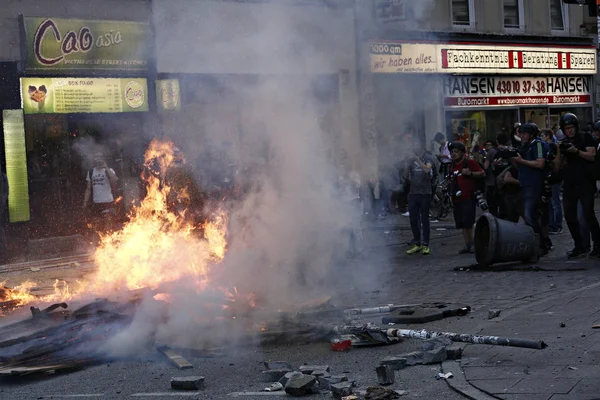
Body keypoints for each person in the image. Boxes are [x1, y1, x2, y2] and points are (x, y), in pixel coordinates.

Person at [558, 113, 600, 258]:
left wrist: (576, 151)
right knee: (569, 216)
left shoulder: (585, 137)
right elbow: (558, 165)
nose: (569, 131)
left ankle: (598, 245)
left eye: (571, 127)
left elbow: (592, 155)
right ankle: (579, 245)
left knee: (588, 214)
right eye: (566, 128)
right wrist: (558, 151)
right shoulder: (563, 142)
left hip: (585, 181)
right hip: (570, 183)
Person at [508, 123, 550, 255]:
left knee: (529, 215)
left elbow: (539, 163)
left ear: (531, 134)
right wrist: (513, 158)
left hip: (534, 184)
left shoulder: (537, 144)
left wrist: (521, 161)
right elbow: (521, 167)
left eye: (524, 133)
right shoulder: (525, 146)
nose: (521, 136)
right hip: (525, 184)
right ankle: (537, 243)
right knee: (528, 216)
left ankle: (542, 244)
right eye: (520, 133)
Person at [449, 141, 484, 254]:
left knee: (468, 222)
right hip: (456, 198)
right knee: (462, 223)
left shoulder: (469, 162)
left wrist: (470, 174)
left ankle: (473, 244)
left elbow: (482, 173)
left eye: (456, 152)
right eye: (452, 152)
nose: (453, 154)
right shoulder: (452, 165)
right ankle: (467, 245)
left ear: (462, 153)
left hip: (468, 197)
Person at [404, 140, 436, 256]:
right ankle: (417, 243)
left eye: (416, 144)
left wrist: (417, 160)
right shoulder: (411, 159)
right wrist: (407, 164)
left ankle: (426, 244)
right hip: (413, 193)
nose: (415, 147)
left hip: (425, 193)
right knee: (413, 219)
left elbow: (427, 170)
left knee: (424, 219)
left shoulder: (428, 157)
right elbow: (405, 176)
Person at [83, 152, 118, 233]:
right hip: (96, 203)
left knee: (108, 224)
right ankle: (99, 243)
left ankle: (109, 242)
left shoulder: (109, 170)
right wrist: (85, 202)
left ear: (103, 158)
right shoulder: (91, 172)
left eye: (100, 157)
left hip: (108, 202)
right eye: (96, 157)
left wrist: (105, 167)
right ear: (94, 159)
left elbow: (115, 179)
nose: (98, 159)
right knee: (96, 224)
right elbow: (88, 189)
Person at [540, 129, 563, 235]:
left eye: (543, 135)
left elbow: (554, 161)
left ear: (548, 136)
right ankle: (552, 224)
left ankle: (557, 225)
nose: (541, 137)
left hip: (554, 177)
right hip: (550, 178)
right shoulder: (546, 146)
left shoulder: (552, 146)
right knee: (551, 202)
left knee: (555, 202)